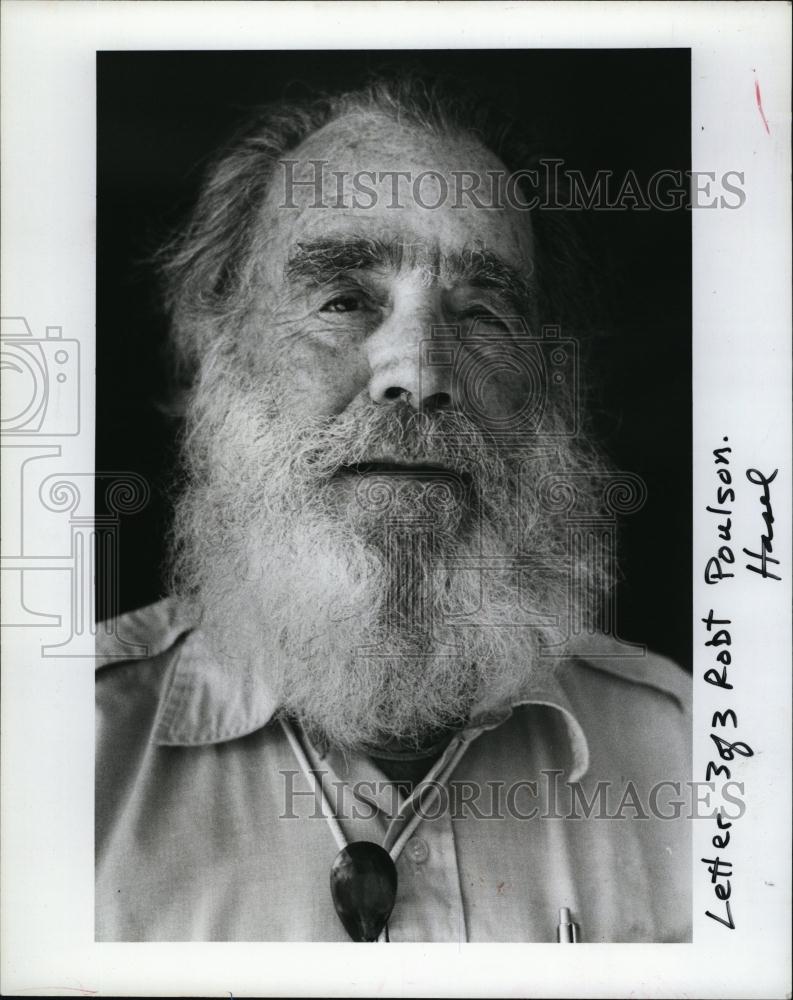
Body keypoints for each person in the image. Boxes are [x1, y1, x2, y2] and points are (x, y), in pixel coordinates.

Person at [95, 77, 691, 942]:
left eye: (483, 314)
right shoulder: (54, 758)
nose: (419, 370)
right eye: (343, 299)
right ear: (210, 357)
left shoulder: (693, 761)